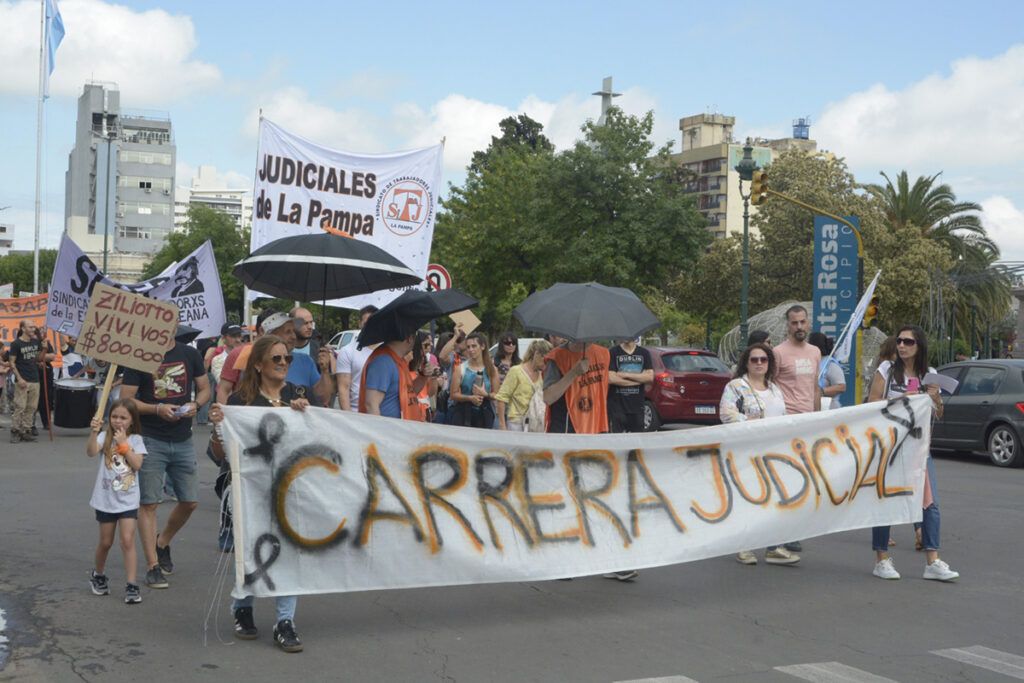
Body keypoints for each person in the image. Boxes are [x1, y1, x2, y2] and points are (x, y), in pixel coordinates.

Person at [208, 335, 310, 653]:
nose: (283, 364)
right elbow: (221, 453)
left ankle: (285, 621)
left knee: (289, 552)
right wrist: (217, 427)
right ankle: (242, 606)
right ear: (259, 364)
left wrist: (306, 414)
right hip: (251, 489)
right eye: (276, 359)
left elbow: (311, 443)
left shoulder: (297, 396)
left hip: (289, 489)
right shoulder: (241, 402)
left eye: (287, 359)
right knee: (253, 549)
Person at [867, 324, 959, 582]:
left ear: (919, 346)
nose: (902, 346)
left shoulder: (930, 375)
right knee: (885, 501)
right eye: (899, 341)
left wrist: (935, 399)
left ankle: (933, 560)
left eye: (908, 342)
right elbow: (872, 402)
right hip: (890, 448)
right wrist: (901, 400)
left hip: (919, 450)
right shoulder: (886, 370)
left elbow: (937, 414)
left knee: (930, 504)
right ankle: (881, 559)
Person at [120, 339, 210, 589]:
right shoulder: (139, 354)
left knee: (190, 501)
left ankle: (162, 543)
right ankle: (152, 567)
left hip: (183, 438)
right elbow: (126, 399)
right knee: (149, 503)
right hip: (150, 438)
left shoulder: (189, 353)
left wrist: (196, 404)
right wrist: (157, 408)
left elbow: (205, 389)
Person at [719, 343, 798, 566]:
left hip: (773, 453)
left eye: (764, 359)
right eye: (754, 359)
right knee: (748, 499)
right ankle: (743, 546)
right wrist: (750, 422)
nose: (759, 363)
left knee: (774, 500)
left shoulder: (774, 388)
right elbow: (725, 413)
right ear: (747, 362)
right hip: (745, 453)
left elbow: (782, 417)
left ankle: (773, 547)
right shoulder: (736, 386)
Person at [770, 305, 820, 555]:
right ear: (787, 325)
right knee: (782, 479)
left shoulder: (815, 352)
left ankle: (791, 533)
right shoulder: (778, 353)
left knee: (803, 481)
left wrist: (820, 418)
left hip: (808, 425)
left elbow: (815, 387)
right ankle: (774, 535)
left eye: (802, 322)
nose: (799, 327)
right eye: (794, 323)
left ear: (808, 323)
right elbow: (770, 386)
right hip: (785, 423)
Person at [87, 398, 146, 604]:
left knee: (128, 540)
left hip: (128, 500)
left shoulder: (136, 440)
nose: (118, 421)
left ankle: (131, 584)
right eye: (114, 417)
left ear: (131, 420)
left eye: (123, 417)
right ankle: (99, 574)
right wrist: (94, 432)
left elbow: (137, 464)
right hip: (106, 498)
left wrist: (124, 445)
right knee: (105, 542)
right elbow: (91, 451)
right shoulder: (104, 436)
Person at [218, 310, 334, 407]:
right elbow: (224, 390)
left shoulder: (306, 361)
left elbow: (321, 399)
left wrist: (325, 371)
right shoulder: (240, 354)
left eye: (287, 359)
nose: (293, 336)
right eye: (287, 332)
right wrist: (225, 417)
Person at [360, 331, 439, 420]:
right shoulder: (383, 361)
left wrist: (423, 376)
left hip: (399, 429)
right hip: (388, 430)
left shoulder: (398, 360)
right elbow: (371, 405)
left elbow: (409, 392)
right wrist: (379, 432)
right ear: (410, 339)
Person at [543, 339, 610, 435]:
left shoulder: (604, 354)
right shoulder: (556, 356)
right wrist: (574, 372)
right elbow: (548, 397)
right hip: (566, 429)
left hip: (597, 427)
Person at [494, 339, 552, 431]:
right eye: (545, 360)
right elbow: (501, 398)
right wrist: (502, 425)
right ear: (536, 354)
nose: (547, 364)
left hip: (535, 423)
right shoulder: (516, 371)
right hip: (516, 422)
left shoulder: (543, 375)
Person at [449, 332, 500, 428]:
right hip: (463, 414)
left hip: (485, 414)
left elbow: (497, 394)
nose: (471, 350)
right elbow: (453, 395)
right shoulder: (461, 369)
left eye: (474, 346)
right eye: (468, 347)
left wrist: (485, 394)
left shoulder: (492, 369)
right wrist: (470, 398)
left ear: (482, 346)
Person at [606, 338, 654, 433]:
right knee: (617, 442)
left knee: (636, 443)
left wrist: (625, 374)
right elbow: (611, 378)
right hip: (617, 407)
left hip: (637, 407)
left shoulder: (644, 353)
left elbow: (650, 378)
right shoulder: (612, 352)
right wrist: (639, 379)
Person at [335, 305, 378, 412]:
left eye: (374, 322)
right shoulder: (348, 351)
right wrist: (349, 418)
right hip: (356, 413)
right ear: (359, 323)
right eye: (366, 323)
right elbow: (343, 388)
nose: (370, 326)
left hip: (382, 413)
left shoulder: (386, 350)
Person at [9, 320, 43, 443]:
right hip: (22, 379)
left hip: (35, 378)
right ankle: (15, 431)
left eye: (34, 327)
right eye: (30, 327)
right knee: (20, 406)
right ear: (23, 328)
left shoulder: (35, 342)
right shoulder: (16, 344)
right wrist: (19, 378)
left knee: (32, 407)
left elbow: (38, 358)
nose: (33, 329)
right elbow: (12, 362)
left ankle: (26, 430)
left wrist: (44, 348)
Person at [808, 332, 846, 410]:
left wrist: (820, 392)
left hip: (828, 409)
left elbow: (841, 387)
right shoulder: (809, 362)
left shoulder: (830, 364)